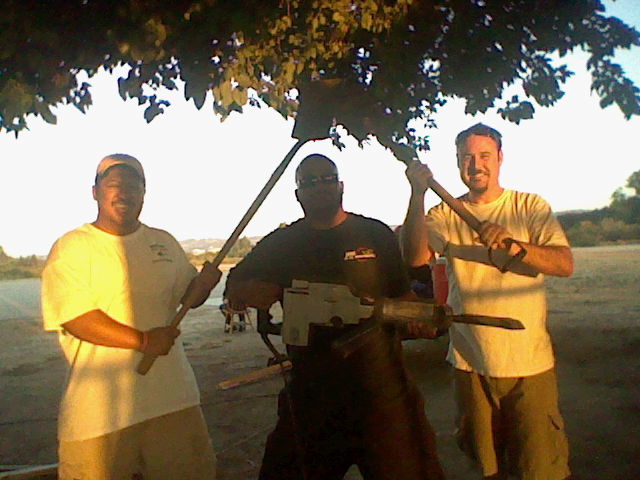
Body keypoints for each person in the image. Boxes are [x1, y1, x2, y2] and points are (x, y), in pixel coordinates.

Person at [225, 153, 445, 480]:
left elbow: (402, 297)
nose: (320, 187)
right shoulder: (282, 243)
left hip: (381, 394)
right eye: (309, 182)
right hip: (312, 396)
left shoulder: (374, 234)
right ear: (298, 193)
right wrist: (257, 293)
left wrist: (420, 318)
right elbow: (235, 287)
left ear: (341, 185)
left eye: (327, 179)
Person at [402, 123, 574, 480]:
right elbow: (415, 257)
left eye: (484, 156)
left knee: (539, 469)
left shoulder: (529, 206)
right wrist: (417, 195)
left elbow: (563, 264)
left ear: (500, 158)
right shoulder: (443, 214)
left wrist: (514, 245)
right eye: (466, 157)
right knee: (486, 469)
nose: (475, 165)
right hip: (470, 364)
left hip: (529, 364)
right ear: (457, 163)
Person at [41, 154, 221, 480]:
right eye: (113, 185)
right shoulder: (72, 247)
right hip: (99, 413)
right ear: (95, 192)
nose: (123, 193)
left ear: (144, 193)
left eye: (133, 186)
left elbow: (187, 298)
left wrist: (203, 286)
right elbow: (76, 318)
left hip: (174, 399)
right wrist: (144, 341)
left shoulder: (163, 242)